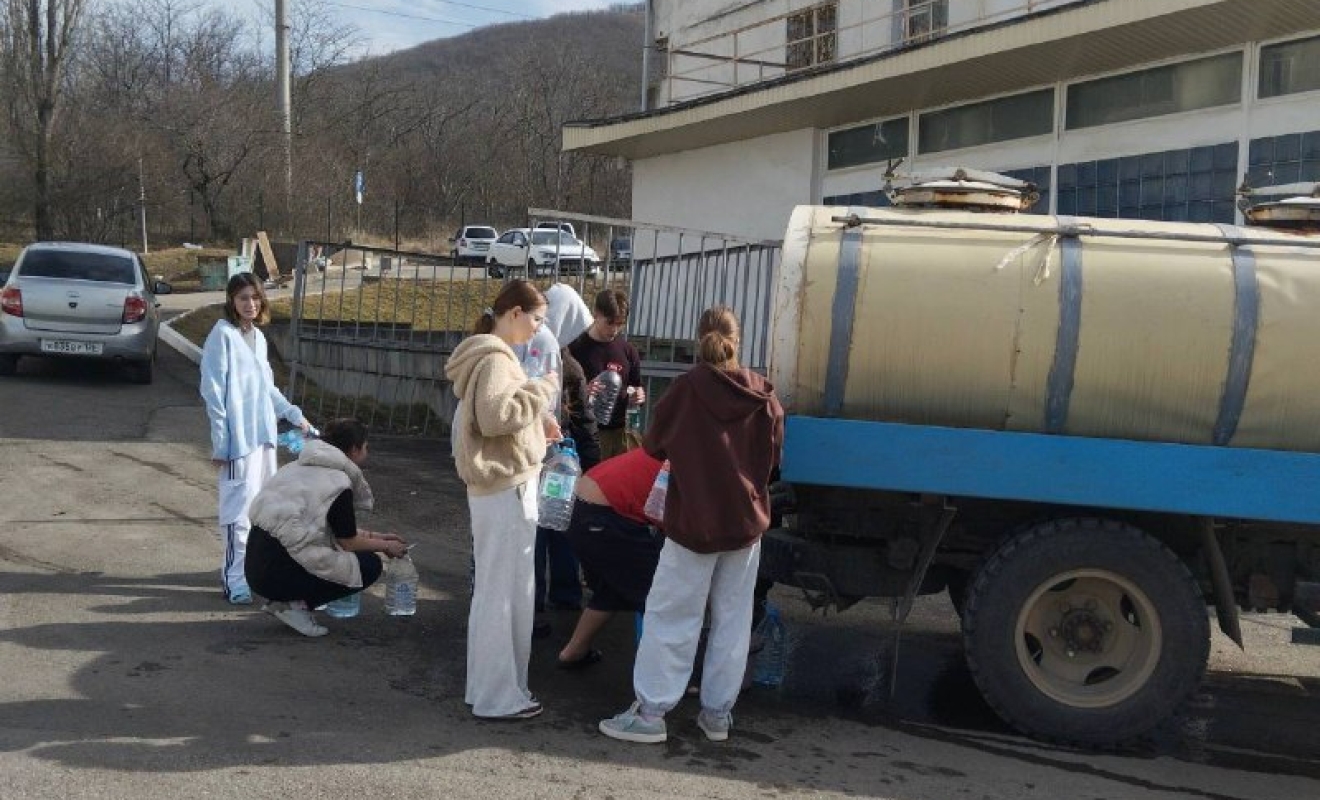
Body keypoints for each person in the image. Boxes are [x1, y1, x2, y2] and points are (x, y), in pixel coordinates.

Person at [599, 305, 784, 745]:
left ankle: (651, 714)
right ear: (738, 341)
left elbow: (654, 445)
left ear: (698, 340)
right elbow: (774, 459)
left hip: (692, 522)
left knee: (673, 615)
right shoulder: (764, 396)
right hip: (745, 524)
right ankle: (717, 715)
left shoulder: (685, 391)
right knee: (733, 619)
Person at [445, 279, 561, 721]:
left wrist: (537, 424)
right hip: (506, 490)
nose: (538, 328)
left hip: (498, 489)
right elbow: (496, 418)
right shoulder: (496, 357)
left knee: (496, 592)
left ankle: (488, 690)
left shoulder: (489, 355)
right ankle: (499, 697)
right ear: (514, 313)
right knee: (505, 595)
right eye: (536, 319)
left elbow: (496, 418)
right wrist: (542, 390)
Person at [200, 272, 311, 605]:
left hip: (264, 439)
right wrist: (221, 442)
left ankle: (255, 572)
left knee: (263, 513)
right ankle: (234, 581)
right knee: (237, 515)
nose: (250, 304)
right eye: (243, 298)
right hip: (238, 442)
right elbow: (213, 393)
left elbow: (267, 389)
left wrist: (294, 414)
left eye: (255, 297)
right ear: (231, 301)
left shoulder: (258, 338)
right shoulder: (222, 335)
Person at [245, 418, 409, 637]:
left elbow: (330, 527)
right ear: (354, 449)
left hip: (255, 566)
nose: (366, 452)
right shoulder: (338, 483)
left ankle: (284, 602)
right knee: (369, 565)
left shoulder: (294, 467)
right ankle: (295, 606)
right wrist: (385, 546)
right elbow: (348, 542)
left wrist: (377, 537)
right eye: (365, 447)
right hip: (276, 574)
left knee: (337, 552)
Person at [517, 283, 599, 629]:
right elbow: (584, 421)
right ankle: (564, 595)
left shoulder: (527, 347)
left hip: (537, 454)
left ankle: (534, 600)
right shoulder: (563, 361)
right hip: (559, 455)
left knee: (539, 528)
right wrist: (592, 463)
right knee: (559, 524)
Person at [555, 447, 665, 669]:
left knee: (615, 587)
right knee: (658, 595)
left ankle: (574, 651)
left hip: (582, 508)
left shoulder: (665, 447)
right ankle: (660, 672)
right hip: (603, 517)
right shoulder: (689, 464)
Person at [568, 289, 645, 461]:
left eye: (620, 324)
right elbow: (562, 393)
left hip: (621, 433)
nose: (614, 329)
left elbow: (635, 386)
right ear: (596, 313)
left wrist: (638, 396)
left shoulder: (628, 351)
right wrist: (584, 392)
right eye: (609, 323)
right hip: (588, 434)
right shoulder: (576, 348)